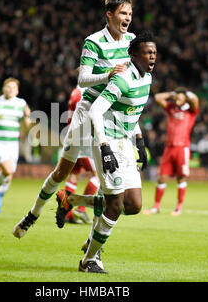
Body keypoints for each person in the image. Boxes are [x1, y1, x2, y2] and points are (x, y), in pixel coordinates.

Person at [13, 0, 139, 238]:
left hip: (112, 117)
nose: (128, 18)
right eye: (123, 13)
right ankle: (33, 213)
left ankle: (91, 243)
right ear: (110, 15)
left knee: (108, 183)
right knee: (62, 171)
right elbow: (83, 78)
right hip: (87, 112)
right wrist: (108, 74)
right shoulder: (93, 41)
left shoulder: (132, 41)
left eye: (131, 14)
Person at [76, 33, 157, 273]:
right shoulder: (122, 79)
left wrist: (139, 140)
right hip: (107, 142)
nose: (152, 55)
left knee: (133, 204)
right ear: (133, 55)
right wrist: (104, 147)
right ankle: (89, 259)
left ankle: (77, 200)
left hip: (125, 143)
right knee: (115, 205)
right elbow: (95, 112)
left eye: (154, 52)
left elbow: (132, 111)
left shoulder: (147, 78)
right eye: (147, 52)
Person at [143, 88, 199, 216]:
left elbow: (195, 99)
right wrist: (172, 94)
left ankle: (179, 207)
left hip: (182, 148)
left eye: (181, 98)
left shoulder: (191, 111)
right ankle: (156, 207)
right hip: (169, 148)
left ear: (185, 99)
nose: (177, 100)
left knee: (181, 178)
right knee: (161, 178)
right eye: (177, 98)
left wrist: (186, 93)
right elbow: (157, 97)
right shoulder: (171, 109)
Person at [0, 78, 32, 213]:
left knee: (8, 175)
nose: (10, 89)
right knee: (8, 170)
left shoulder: (21, 103)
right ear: (3, 88)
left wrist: (28, 117)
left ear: (17, 90)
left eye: (13, 87)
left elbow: (26, 125)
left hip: (13, 144)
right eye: (8, 87)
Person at [63, 84, 100, 224]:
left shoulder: (76, 91)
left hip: (73, 137)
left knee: (74, 175)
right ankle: (81, 209)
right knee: (99, 176)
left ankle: (67, 213)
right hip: (85, 139)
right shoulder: (86, 92)